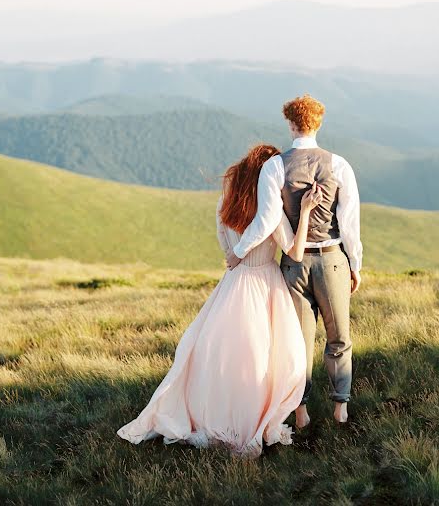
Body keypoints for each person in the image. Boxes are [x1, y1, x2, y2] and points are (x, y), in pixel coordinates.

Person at [116, 144, 323, 457]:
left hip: (233, 285)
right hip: (265, 283)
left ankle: (217, 415)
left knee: (224, 356)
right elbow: (294, 252)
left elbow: (227, 252)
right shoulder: (270, 214)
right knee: (268, 357)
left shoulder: (225, 207)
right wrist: (305, 212)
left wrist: (238, 253)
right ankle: (255, 421)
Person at [227, 95, 363, 427]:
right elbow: (350, 224)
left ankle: (301, 410)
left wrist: (239, 251)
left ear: (290, 124)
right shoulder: (339, 165)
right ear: (318, 124)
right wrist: (356, 265)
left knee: (298, 342)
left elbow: (266, 220)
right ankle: (340, 406)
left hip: (294, 265)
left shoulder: (275, 167)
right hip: (332, 260)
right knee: (338, 336)